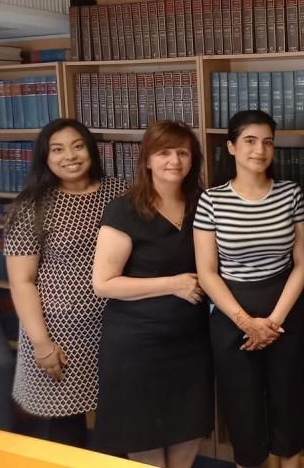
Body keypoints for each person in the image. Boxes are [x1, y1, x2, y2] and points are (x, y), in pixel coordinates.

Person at [91, 121, 213, 467]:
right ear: (147, 159)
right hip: (137, 346)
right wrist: (173, 284)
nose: (174, 161)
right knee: (143, 436)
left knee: (188, 428)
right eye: (164, 152)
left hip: (191, 342)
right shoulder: (125, 209)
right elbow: (103, 283)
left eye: (183, 153)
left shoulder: (204, 204)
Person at [194, 110, 304, 468]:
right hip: (232, 315)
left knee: (289, 406)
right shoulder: (211, 200)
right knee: (243, 412)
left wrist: (273, 322)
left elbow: (303, 264)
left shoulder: (290, 194)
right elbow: (207, 273)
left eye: (267, 142)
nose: (260, 150)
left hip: (284, 312)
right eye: (249, 140)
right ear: (231, 147)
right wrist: (246, 323)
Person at [4, 119, 126, 447]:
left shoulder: (119, 193)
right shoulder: (31, 206)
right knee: (64, 426)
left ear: (91, 150)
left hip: (116, 324)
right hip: (58, 334)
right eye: (57, 150)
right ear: (45, 157)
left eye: (77, 146)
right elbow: (21, 282)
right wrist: (42, 344)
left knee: (118, 419)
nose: (70, 156)